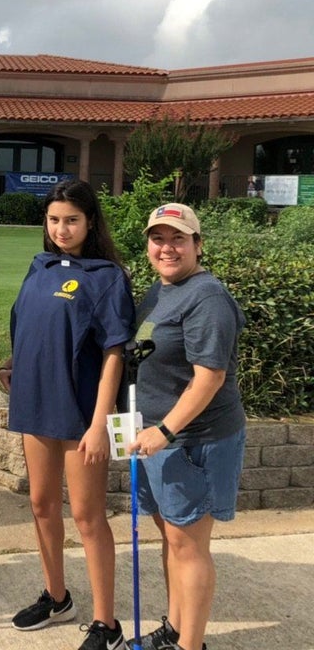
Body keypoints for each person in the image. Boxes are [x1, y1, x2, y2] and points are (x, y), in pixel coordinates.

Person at [1, 180, 134, 650]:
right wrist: (14, 367)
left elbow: (115, 354)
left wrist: (100, 423)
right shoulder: (38, 268)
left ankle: (106, 624)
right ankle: (57, 597)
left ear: (90, 222)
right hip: (35, 404)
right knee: (40, 504)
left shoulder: (107, 276)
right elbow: (28, 330)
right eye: (54, 219)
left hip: (81, 415)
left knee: (87, 515)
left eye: (72, 220)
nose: (61, 228)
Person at [129, 203, 245, 650]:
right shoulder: (160, 292)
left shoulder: (207, 297)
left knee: (189, 546)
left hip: (193, 439)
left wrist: (166, 431)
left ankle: (189, 645)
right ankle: (175, 628)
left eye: (178, 238)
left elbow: (210, 377)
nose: (167, 247)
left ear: (197, 244)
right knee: (173, 539)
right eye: (158, 238)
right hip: (158, 437)